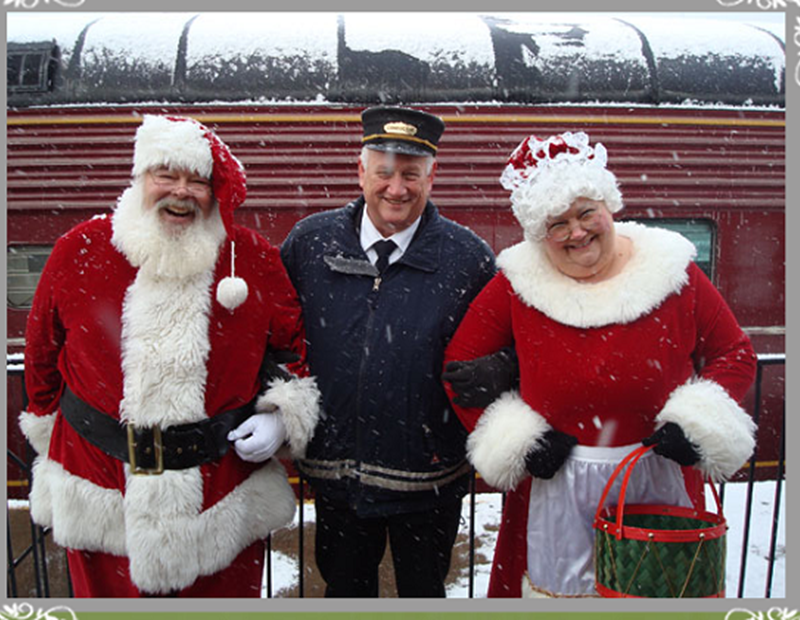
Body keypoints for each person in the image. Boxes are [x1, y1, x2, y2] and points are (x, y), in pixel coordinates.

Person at [442, 131, 758, 598]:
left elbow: (735, 354)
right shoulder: (516, 282)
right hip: (552, 488)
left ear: (608, 206)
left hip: (659, 480)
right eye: (558, 224)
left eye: (586, 213)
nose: (577, 232)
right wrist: (519, 443)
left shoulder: (673, 272)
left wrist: (699, 425)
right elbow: (459, 367)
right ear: (540, 233)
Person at [19, 115, 321, 597]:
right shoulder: (78, 250)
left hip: (222, 499)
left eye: (197, 181)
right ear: (141, 177)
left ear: (214, 191)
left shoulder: (251, 258)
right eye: (166, 175)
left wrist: (282, 418)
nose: (181, 192)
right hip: (98, 490)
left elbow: (293, 355)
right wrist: (53, 434)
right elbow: (41, 360)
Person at [280, 106, 496, 597]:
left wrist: (494, 372)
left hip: (429, 481)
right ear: (361, 172)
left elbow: (505, 347)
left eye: (411, 175)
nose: (396, 189)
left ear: (431, 177)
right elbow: (276, 335)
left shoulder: (468, 259)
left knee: (425, 593)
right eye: (384, 173)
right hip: (336, 478)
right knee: (345, 592)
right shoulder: (310, 244)